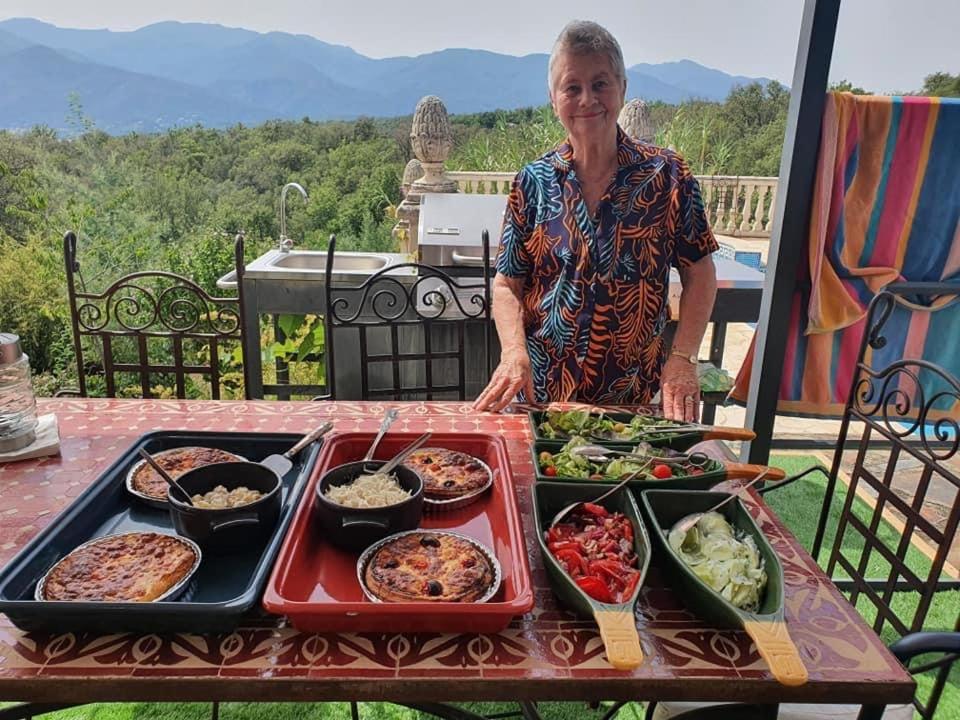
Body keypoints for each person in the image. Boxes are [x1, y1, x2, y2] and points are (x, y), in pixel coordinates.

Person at [473, 20, 718, 421]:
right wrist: (514, 352)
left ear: (622, 87)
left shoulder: (668, 176)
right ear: (554, 99)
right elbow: (506, 283)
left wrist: (684, 358)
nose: (587, 99)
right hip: (543, 395)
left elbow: (700, 272)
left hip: (633, 398)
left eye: (600, 83)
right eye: (572, 87)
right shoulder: (532, 182)